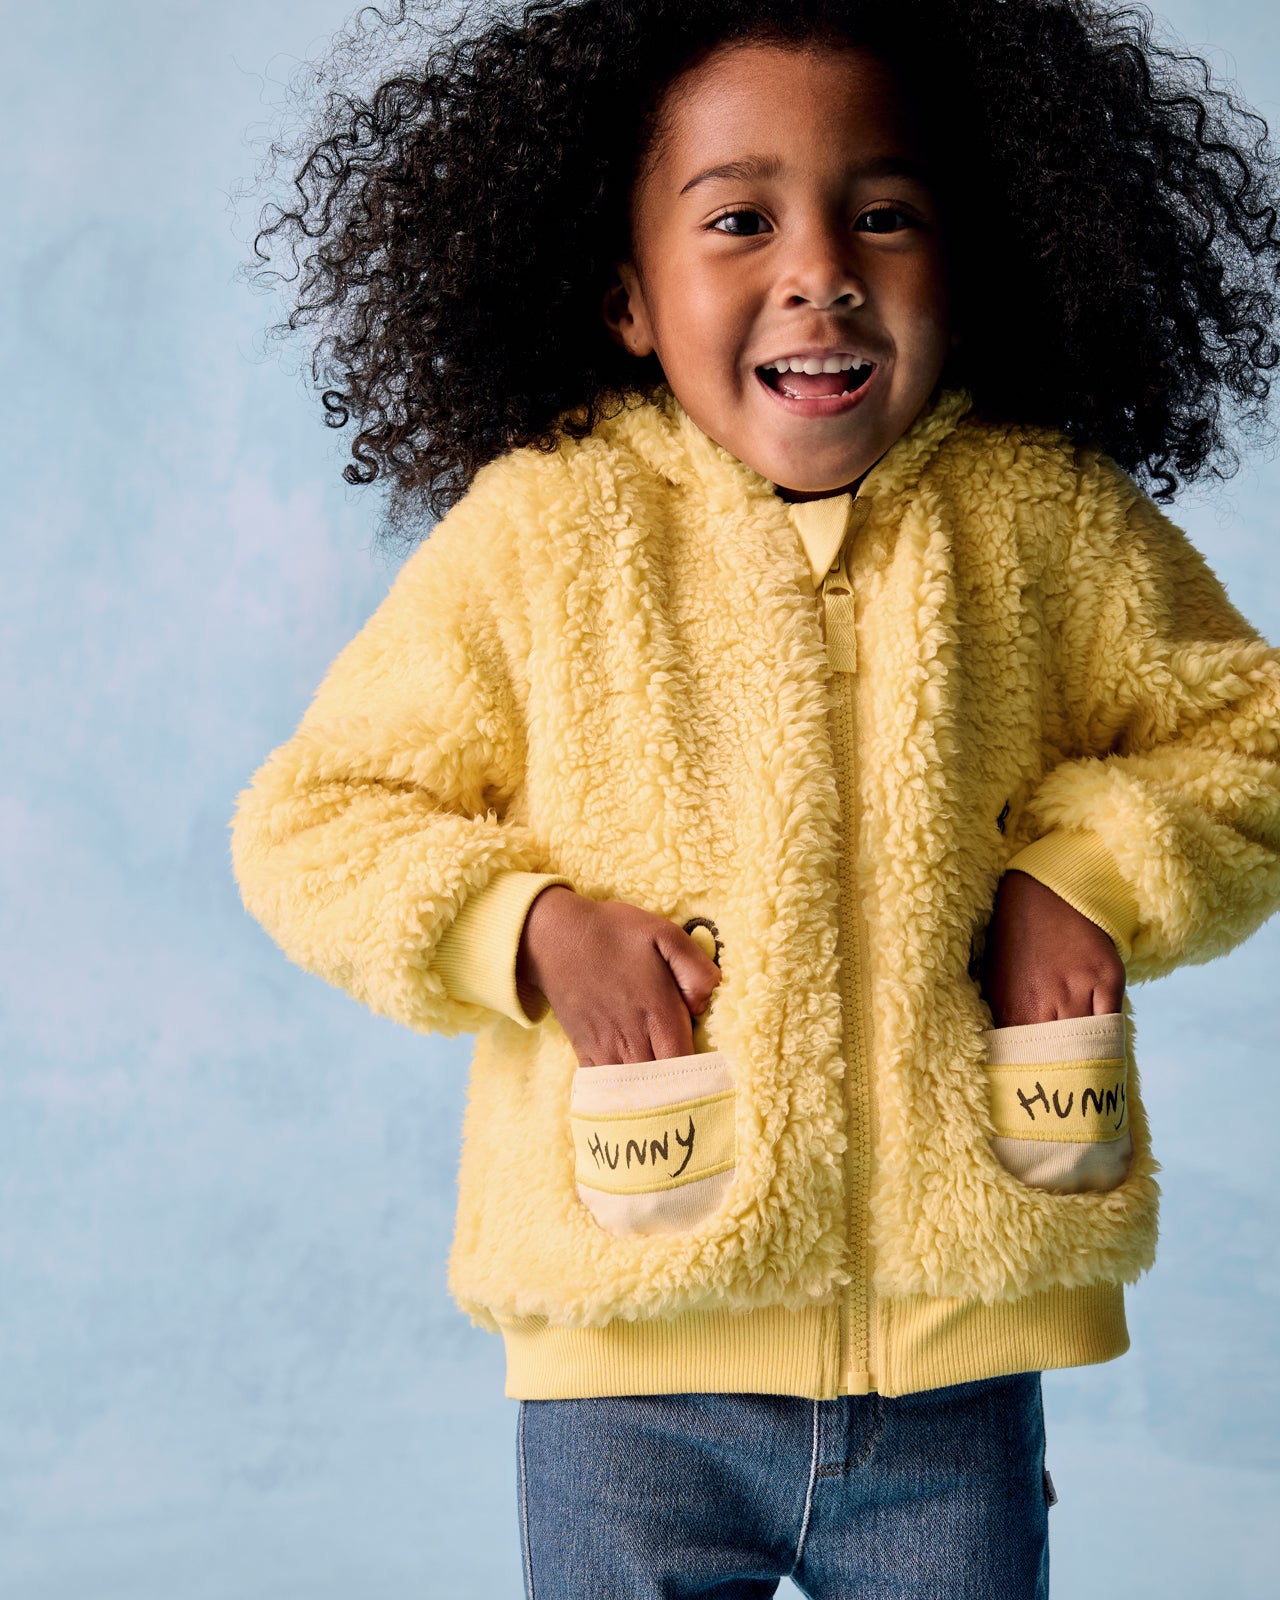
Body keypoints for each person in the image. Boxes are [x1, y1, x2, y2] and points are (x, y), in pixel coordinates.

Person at [231, 0, 1280, 1593]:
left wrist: (1081, 875)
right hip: (629, 1367)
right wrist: (529, 930)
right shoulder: (544, 535)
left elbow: (1252, 739)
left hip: (954, 1361)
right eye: (740, 220)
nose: (821, 271)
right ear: (625, 294)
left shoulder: (1045, 524)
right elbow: (314, 819)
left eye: (885, 214)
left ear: (973, 257)